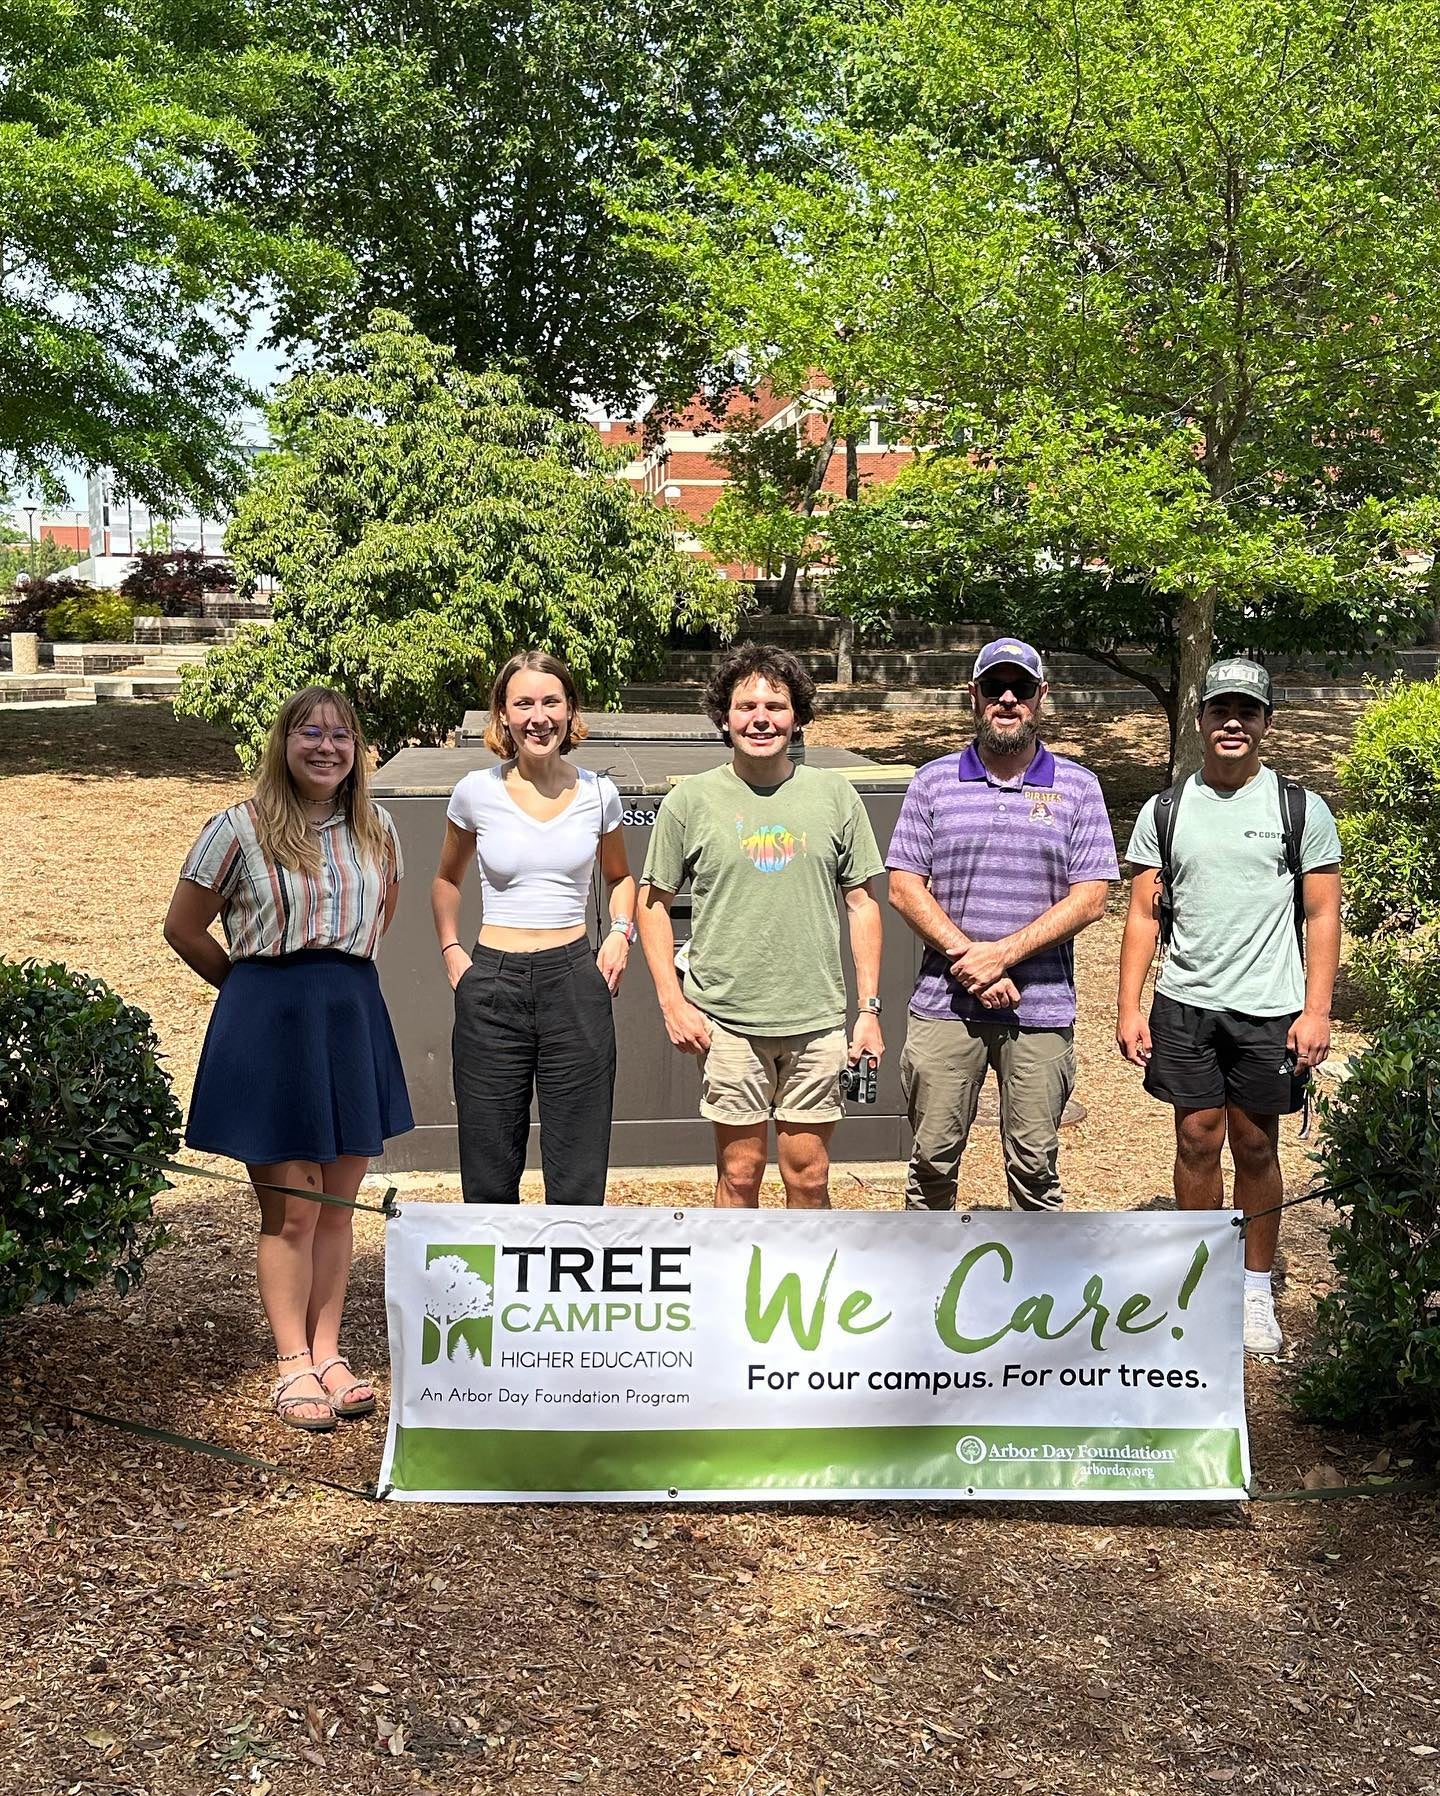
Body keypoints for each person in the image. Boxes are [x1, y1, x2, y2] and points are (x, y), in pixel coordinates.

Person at [164, 687, 412, 1431]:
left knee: (338, 1207)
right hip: (271, 1023)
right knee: (293, 1210)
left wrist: (329, 984)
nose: (326, 746)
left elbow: (381, 914)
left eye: (341, 735)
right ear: (285, 741)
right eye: (311, 732)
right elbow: (184, 927)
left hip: (349, 1017)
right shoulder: (236, 829)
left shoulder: (379, 828)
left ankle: (330, 1354)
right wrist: (250, 994)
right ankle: (290, 1362)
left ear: (357, 748)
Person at [1117, 657, 1342, 1357]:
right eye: (1221, 711)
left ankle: (1252, 1287)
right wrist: (1128, 1006)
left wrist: (1317, 1010)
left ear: (1266, 723)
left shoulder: (1298, 808)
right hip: (1185, 1004)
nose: (1233, 723)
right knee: (1196, 1138)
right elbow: (1142, 916)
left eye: (1248, 712)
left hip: (1269, 1008)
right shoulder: (1167, 808)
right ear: (1202, 719)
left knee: (1254, 1143)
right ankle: (1202, 1277)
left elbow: (1324, 913)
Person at [635, 642, 885, 1209]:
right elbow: (651, 904)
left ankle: (805, 1293)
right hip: (727, 1023)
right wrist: (673, 1003)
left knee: (810, 1177)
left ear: (797, 716)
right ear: (724, 716)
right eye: (746, 706)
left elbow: (863, 905)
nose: (761, 719)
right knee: (740, 1174)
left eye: (776, 705)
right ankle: (733, 1295)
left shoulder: (835, 795)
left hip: (817, 1021)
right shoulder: (690, 801)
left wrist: (868, 1012)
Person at [887, 637, 1118, 1212]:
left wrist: (1003, 955)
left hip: (1040, 1009)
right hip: (945, 1006)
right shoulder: (932, 782)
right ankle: (928, 1290)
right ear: (975, 696)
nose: (1007, 699)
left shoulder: (1079, 787)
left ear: (1042, 696)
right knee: (930, 1164)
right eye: (995, 687)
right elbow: (903, 888)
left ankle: (1035, 1296)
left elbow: (1091, 897)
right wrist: (976, 961)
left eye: (1020, 688)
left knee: (1036, 1168)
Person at [432, 650, 635, 1206]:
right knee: (489, 1166)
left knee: (578, 1166)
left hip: (574, 978)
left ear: (571, 712)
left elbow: (621, 878)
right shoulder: (475, 791)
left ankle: (570, 1289)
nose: (537, 716)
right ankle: (491, 1293)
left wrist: (620, 932)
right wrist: (453, 951)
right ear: (503, 714)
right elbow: (447, 879)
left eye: (551, 701)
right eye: (523, 703)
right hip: (491, 983)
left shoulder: (599, 793)